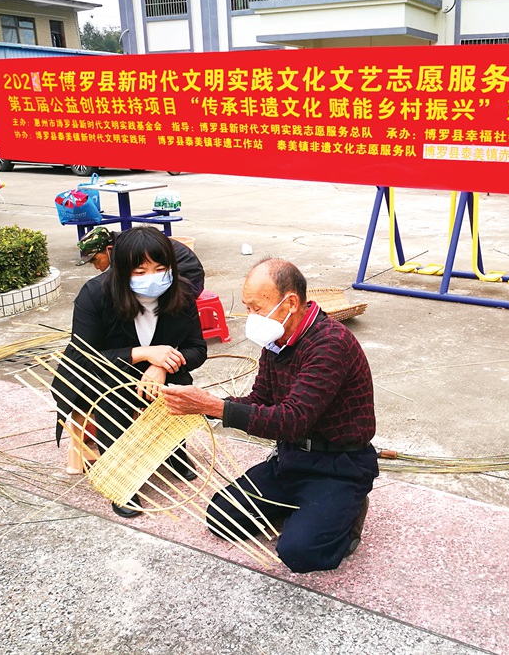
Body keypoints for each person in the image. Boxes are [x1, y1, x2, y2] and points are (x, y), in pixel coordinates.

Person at [163, 258, 377, 573]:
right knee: (221, 517)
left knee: (299, 553)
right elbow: (259, 400)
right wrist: (205, 406)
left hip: (339, 465)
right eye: (247, 308)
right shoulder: (276, 340)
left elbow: (291, 420)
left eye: (256, 308)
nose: (251, 317)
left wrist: (212, 407)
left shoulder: (330, 344)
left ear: (290, 303)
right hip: (291, 459)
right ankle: (308, 510)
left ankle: (348, 508)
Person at [51, 226, 208, 517]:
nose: (153, 278)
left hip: (158, 368)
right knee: (113, 396)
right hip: (103, 372)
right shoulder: (95, 295)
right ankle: (119, 476)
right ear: (122, 270)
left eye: (160, 269)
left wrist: (160, 364)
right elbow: (84, 357)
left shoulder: (181, 292)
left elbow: (197, 349)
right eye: (140, 271)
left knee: (178, 385)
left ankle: (174, 449)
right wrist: (143, 354)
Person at [76, 226, 205, 299]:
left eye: (96, 260)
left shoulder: (126, 249)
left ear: (109, 250)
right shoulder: (125, 243)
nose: (97, 267)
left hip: (188, 282)